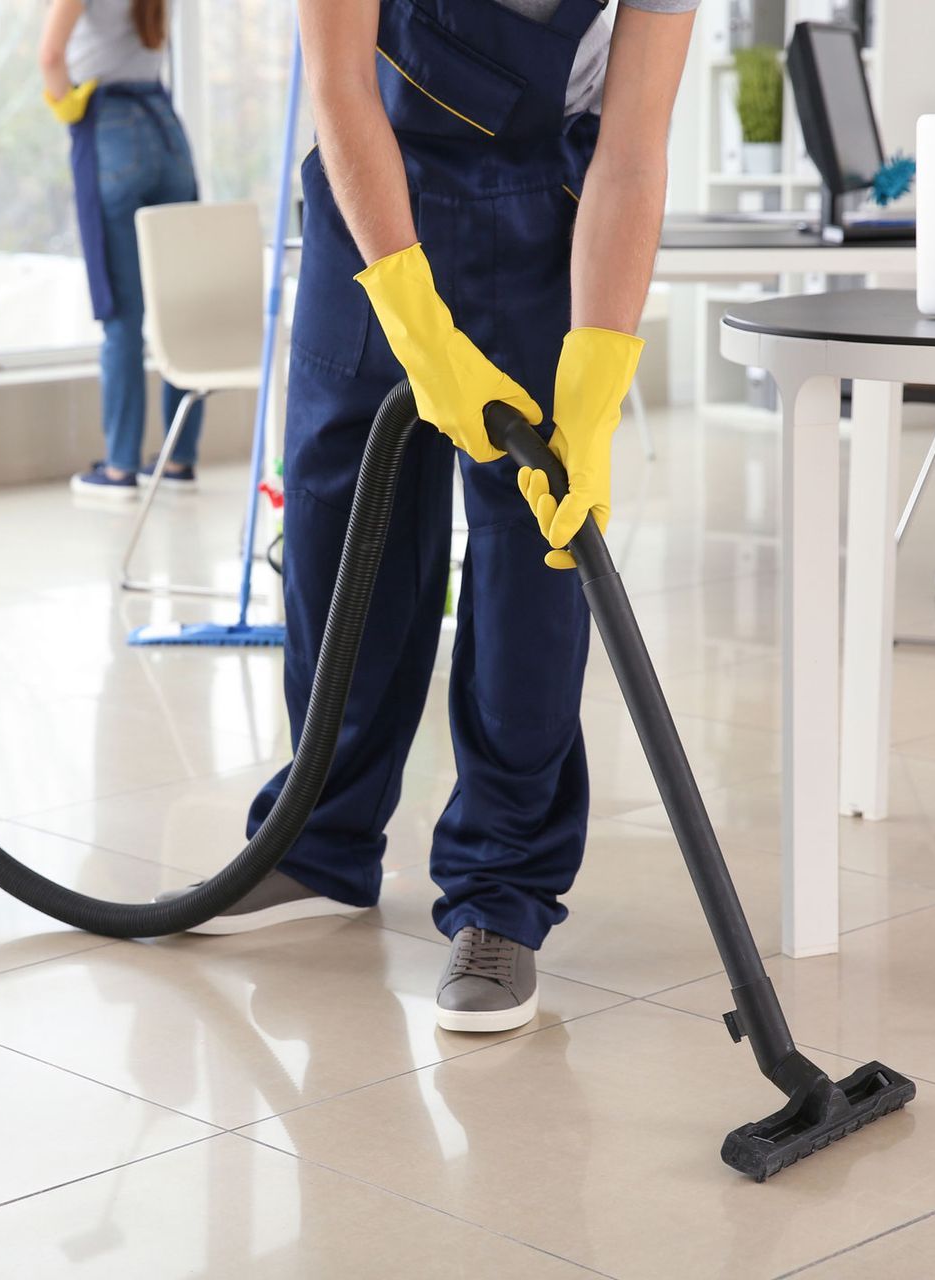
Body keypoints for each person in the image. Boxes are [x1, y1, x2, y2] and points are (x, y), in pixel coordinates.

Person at [160, 0, 696, 1034]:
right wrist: (415, 315)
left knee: (530, 558)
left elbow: (633, 150)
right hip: (374, 196)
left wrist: (596, 369)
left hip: (542, 209)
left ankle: (502, 891)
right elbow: (342, 82)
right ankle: (319, 839)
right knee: (338, 520)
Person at [40, 0, 204, 499]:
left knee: (121, 315)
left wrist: (64, 104)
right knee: (180, 306)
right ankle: (179, 459)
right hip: (165, 130)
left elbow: (50, 56)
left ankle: (120, 468)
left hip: (109, 124)